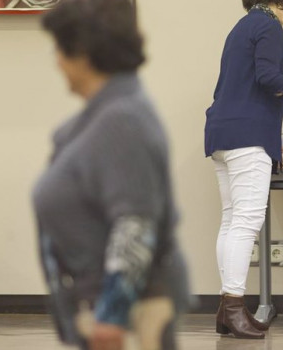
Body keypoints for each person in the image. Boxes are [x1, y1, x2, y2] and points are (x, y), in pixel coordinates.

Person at [33, 0, 189, 349]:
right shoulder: (103, 114)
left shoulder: (122, 120)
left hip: (127, 315)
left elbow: (135, 223)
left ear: (84, 53)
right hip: (105, 306)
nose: (56, 60)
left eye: (59, 48)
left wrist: (111, 317)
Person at [204, 0, 283, 339]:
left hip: (223, 134)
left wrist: (271, 137)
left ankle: (226, 309)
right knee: (246, 221)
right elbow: (269, 78)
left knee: (232, 220)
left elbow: (240, 89)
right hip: (246, 137)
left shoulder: (241, 28)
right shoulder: (269, 23)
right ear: (280, 3)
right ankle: (232, 305)